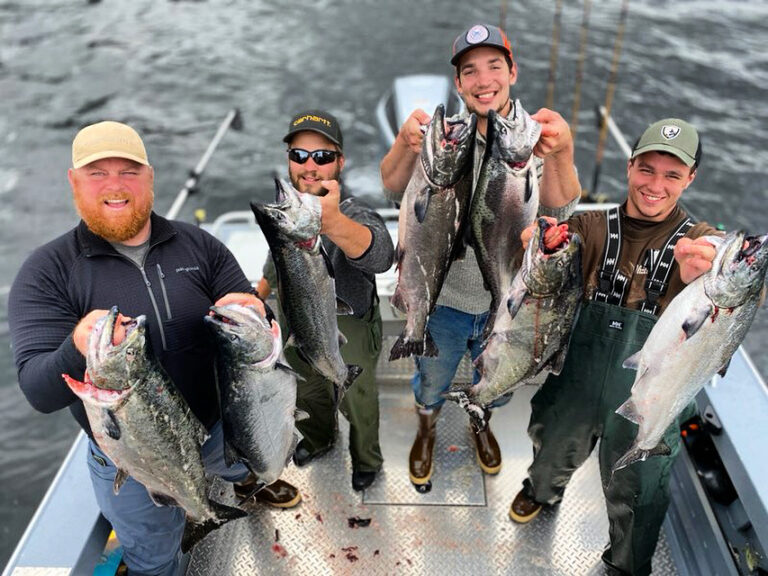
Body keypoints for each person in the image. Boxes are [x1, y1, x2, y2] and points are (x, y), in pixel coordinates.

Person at [8, 120, 301, 576]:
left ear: (150, 177)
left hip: (220, 425)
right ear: (73, 181)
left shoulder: (199, 244)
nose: (114, 186)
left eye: (128, 171)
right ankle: (181, 534)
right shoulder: (45, 272)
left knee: (248, 464)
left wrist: (254, 309)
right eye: (97, 173)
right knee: (155, 558)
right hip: (130, 451)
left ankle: (249, 483)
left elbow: (249, 316)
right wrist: (77, 346)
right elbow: (39, 392)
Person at [510, 119, 720, 576]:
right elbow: (545, 239)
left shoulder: (699, 238)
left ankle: (626, 563)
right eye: (647, 169)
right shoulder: (590, 225)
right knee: (550, 446)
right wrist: (538, 245)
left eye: (672, 175)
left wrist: (711, 268)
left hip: (651, 392)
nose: (655, 185)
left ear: (691, 179)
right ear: (630, 167)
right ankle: (542, 490)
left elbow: (740, 280)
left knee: (640, 487)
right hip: (576, 382)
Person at [379, 23, 581, 486]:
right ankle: (426, 428)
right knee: (431, 378)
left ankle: (480, 417)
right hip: (443, 303)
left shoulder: (536, 137)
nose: (482, 78)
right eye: (469, 71)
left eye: (494, 66)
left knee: (497, 381)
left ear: (512, 71)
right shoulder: (442, 137)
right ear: (458, 84)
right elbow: (392, 189)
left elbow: (561, 208)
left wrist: (564, 151)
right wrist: (404, 144)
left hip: (507, 302)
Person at [256, 110, 395, 491]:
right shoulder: (289, 212)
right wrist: (258, 297)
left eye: (322, 156)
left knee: (358, 400)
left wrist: (331, 222)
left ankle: (367, 459)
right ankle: (318, 439)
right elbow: (276, 261)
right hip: (295, 319)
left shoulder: (354, 211)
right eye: (299, 155)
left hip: (347, 325)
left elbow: (381, 254)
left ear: (340, 162)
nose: (309, 165)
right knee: (308, 390)